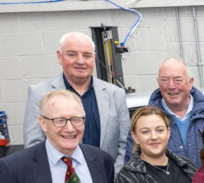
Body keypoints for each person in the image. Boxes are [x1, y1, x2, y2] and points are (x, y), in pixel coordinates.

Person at [23, 31, 130, 173]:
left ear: (94, 58)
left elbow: (124, 145)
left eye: (87, 55)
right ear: (59, 57)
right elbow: (34, 147)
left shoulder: (115, 94)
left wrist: (114, 181)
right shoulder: (39, 93)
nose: (80, 61)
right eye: (72, 54)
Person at [130, 57, 204, 166]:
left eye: (177, 80)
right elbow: (133, 164)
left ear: (190, 82)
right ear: (158, 82)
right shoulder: (143, 121)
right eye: (165, 80)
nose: (171, 86)